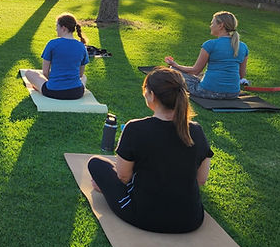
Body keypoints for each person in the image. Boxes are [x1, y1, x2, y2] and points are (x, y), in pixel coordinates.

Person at [88, 67, 213, 233]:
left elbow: (123, 177)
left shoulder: (135, 129)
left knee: (96, 164)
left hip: (142, 217)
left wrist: (107, 185)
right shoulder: (196, 131)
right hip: (190, 219)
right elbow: (201, 179)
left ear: (151, 95)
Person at [165, 11, 248, 99]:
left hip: (208, 91)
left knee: (173, 71)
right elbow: (241, 75)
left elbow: (195, 71)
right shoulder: (243, 47)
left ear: (221, 26)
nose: (210, 26)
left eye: (212, 23)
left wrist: (175, 65)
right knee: (201, 75)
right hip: (233, 94)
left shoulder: (210, 44)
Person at [24, 12, 90, 100]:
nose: (56, 29)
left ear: (63, 28)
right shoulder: (82, 46)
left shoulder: (52, 44)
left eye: (57, 26)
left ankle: (38, 87)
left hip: (53, 92)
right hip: (76, 93)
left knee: (29, 73)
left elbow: (45, 73)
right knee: (84, 77)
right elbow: (80, 75)